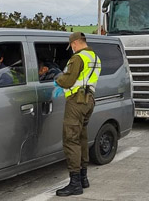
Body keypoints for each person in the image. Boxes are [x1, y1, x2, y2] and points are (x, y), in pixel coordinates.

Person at [54, 32, 101, 196]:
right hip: (89, 102)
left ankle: (75, 184)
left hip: (76, 102)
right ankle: (83, 178)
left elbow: (68, 81)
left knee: (70, 140)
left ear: (74, 44)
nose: (72, 49)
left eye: (72, 46)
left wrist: (58, 78)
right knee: (81, 138)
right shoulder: (95, 57)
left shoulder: (77, 58)